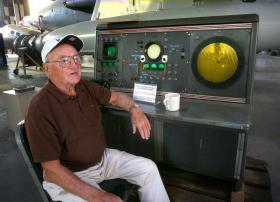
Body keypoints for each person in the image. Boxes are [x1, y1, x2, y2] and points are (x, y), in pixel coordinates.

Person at [25, 35, 170, 202]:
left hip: (102, 160)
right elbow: (51, 169)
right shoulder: (39, 108)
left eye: (76, 58)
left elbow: (116, 98)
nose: (74, 65)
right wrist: (99, 196)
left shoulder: (84, 87)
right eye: (64, 60)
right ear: (47, 68)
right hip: (68, 175)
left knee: (148, 169)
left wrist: (134, 109)